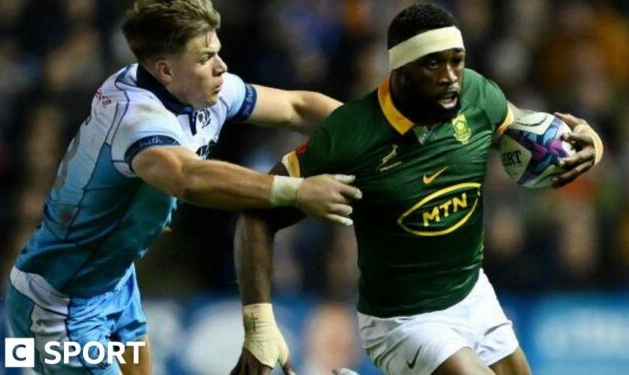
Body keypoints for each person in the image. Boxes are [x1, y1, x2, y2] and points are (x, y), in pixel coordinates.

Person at [231, 3, 604, 375]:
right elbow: (258, 213)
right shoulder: (350, 136)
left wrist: (587, 141)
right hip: (402, 320)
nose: (450, 77)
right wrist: (259, 324)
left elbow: (523, 126)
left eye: (456, 61)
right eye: (433, 64)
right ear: (401, 70)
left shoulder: (475, 96)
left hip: (471, 293)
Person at [4, 0, 363, 374]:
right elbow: (189, 178)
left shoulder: (201, 88)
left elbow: (297, 108)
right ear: (165, 70)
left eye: (217, 52)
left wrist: (378, 136)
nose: (221, 66)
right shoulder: (136, 118)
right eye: (206, 57)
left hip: (113, 278)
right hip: (61, 300)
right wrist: (298, 191)